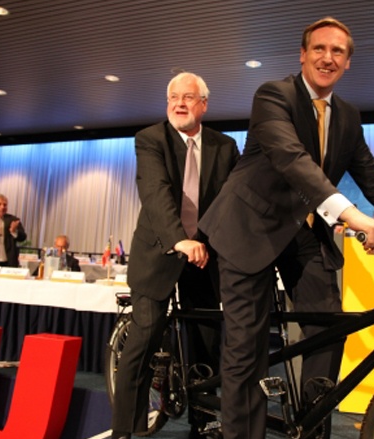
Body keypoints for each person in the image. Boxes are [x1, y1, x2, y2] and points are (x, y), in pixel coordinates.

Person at [198, 18, 374, 439]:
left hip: (303, 231)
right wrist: (354, 216)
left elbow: (372, 177)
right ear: (303, 54)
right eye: (319, 49)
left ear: (348, 62)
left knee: (329, 329)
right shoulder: (273, 95)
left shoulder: (347, 115)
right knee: (246, 349)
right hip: (249, 227)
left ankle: (310, 431)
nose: (328, 58)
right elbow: (292, 159)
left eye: (338, 52)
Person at [111, 72, 239, 439]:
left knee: (206, 341)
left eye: (188, 97)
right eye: (173, 98)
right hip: (159, 252)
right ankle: (125, 431)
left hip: (204, 257)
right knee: (146, 335)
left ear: (204, 105)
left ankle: (204, 423)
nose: (179, 103)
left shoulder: (224, 146)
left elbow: (236, 197)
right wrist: (178, 240)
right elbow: (156, 193)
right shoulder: (151, 139)